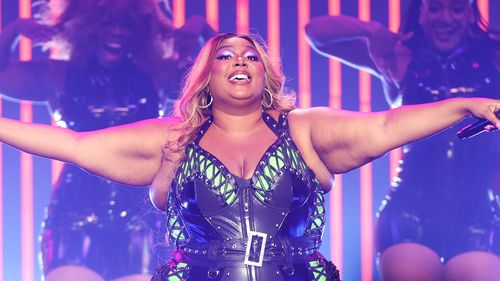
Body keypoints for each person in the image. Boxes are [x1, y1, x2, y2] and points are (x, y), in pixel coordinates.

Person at [0, 32, 499, 281]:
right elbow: (73, 145)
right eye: (225, 55)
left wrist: (464, 104)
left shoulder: (303, 130)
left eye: (251, 55)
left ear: (267, 73)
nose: (240, 60)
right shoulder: (175, 139)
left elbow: (387, 125)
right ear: (206, 76)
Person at [0, 0, 214, 280]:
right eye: (106, 23)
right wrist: (13, 31)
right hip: (74, 214)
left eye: (127, 24)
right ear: (84, 26)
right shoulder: (57, 75)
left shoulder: (155, 75)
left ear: (141, 30)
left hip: (141, 214)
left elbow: (219, 85)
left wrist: (202, 29)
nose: (117, 32)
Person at [305, 0, 500, 280]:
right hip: (411, 211)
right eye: (434, 8)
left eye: (456, 9)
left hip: (478, 212)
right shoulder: (399, 55)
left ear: (470, 13)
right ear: (420, 13)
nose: (445, 18)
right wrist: (372, 30)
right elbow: (316, 32)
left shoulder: (493, 54)